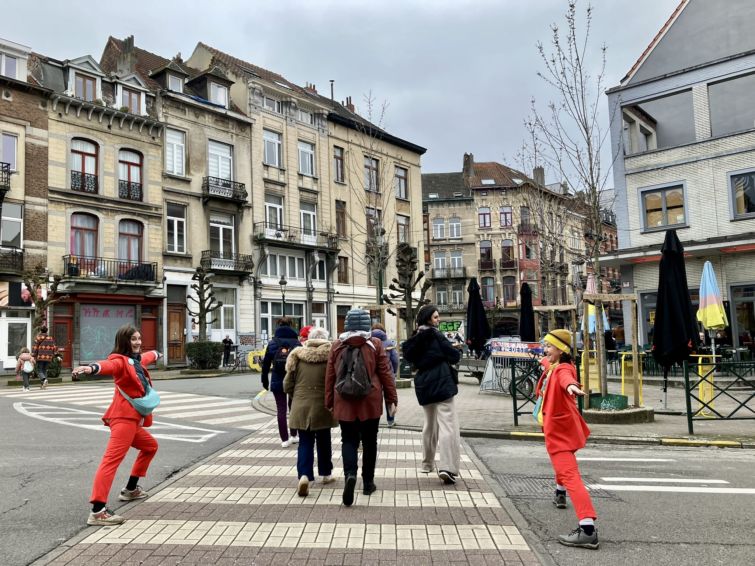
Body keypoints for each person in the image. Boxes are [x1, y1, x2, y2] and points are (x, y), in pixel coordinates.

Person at [71, 325, 162, 526]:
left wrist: (156, 353)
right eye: (133, 339)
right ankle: (97, 510)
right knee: (110, 462)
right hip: (123, 419)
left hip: (132, 421)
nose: (138, 342)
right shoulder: (119, 361)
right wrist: (91, 368)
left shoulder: (135, 360)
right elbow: (108, 365)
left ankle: (131, 489)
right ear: (124, 342)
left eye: (139, 338)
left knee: (150, 446)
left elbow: (146, 357)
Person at [325, 309, 397, 506]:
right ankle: (368, 483)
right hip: (370, 401)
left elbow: (330, 377)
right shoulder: (375, 344)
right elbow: (385, 374)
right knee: (370, 442)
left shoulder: (337, 345)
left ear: (346, 325)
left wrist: (329, 402)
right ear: (367, 324)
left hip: (344, 400)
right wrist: (391, 399)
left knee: (348, 440)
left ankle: (350, 474)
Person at [534, 329, 599, 549]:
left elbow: (566, 379)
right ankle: (560, 493)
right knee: (564, 469)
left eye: (549, 346)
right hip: (566, 429)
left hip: (560, 432)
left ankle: (587, 529)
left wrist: (573, 387)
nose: (546, 350)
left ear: (561, 349)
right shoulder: (554, 364)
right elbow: (546, 363)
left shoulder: (562, 369)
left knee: (570, 475)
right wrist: (534, 354)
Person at [402, 304, 462, 485]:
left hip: (423, 383)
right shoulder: (436, 335)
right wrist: (454, 349)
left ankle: (427, 463)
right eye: (436, 317)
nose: (438, 320)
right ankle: (447, 467)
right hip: (442, 381)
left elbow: (410, 357)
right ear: (429, 319)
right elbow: (454, 356)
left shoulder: (415, 337)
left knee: (429, 424)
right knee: (448, 425)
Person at [283, 327, 337, 497]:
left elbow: (287, 385)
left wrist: (297, 396)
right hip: (323, 406)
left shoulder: (297, 356)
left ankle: (305, 475)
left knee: (305, 442)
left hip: (301, 404)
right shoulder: (331, 357)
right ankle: (326, 474)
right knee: (324, 439)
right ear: (326, 339)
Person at [260, 317, 301, 447]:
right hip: (294, 380)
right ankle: (294, 435)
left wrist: (264, 380)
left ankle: (284, 439)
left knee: (281, 410)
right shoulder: (297, 343)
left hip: (277, 379)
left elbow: (266, 364)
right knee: (293, 408)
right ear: (291, 325)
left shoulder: (272, 343)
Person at [370, 322, 399, 426]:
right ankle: (390, 421)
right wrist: (394, 371)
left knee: (374, 398)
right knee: (389, 396)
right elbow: (395, 360)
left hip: (373, 376)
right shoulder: (389, 343)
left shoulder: (369, 342)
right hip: (387, 374)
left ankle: (373, 420)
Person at [32, 325, 58, 389]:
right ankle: (43, 385)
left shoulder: (38, 338)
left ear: (41, 330)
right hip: (48, 357)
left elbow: (35, 347)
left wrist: (33, 354)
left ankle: (44, 380)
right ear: (47, 331)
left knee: (39, 370)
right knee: (44, 370)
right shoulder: (50, 338)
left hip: (40, 356)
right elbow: (54, 348)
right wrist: (54, 354)